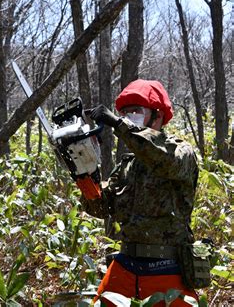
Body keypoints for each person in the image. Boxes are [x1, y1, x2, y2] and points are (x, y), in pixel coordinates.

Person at [83, 79, 199, 306]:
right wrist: (84, 173)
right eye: (125, 112)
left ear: (158, 116)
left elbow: (163, 160)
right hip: (126, 265)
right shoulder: (128, 163)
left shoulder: (181, 151)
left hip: (168, 268)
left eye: (136, 110)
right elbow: (102, 208)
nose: (129, 116)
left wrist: (119, 125)